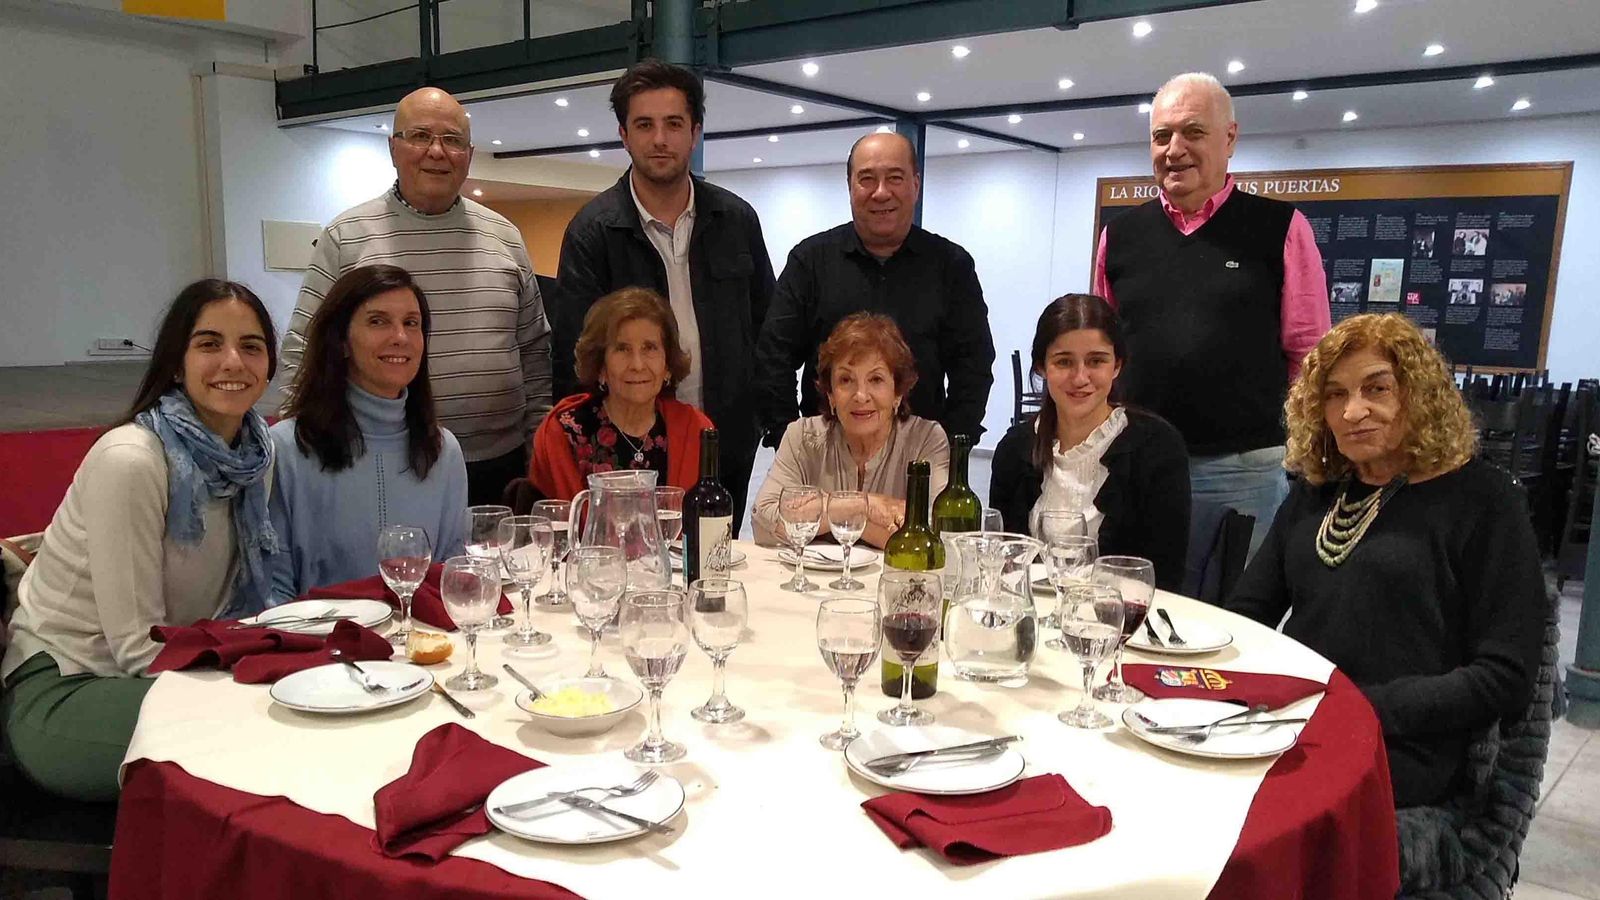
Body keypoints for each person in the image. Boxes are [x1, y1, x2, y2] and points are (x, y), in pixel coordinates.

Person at [1226, 313, 1544, 812]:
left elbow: (1506, 675)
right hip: (1293, 721)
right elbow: (1248, 613)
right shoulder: (1317, 493)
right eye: (1335, 394)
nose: (1353, 411)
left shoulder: (1485, 501)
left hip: (1401, 745)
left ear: (1419, 395)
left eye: (1377, 389)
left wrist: (1358, 707)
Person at [1, 280, 281, 801]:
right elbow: (134, 646)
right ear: (176, 363)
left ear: (268, 366)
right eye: (209, 343)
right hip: (70, 686)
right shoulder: (131, 461)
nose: (233, 361)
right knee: (269, 721)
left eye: (251, 346)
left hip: (167, 674)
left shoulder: (254, 458)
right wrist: (254, 677)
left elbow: (230, 610)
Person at [1093, 72, 1330, 555]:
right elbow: (1102, 351)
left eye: (1193, 132)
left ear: (1230, 139)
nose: (1174, 149)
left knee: (1236, 598)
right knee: (1134, 593)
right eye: (1162, 136)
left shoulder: (1281, 228)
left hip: (1242, 472)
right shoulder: (1119, 236)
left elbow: (1311, 354)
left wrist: (1308, 451)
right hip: (1138, 461)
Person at [280, 87, 551, 507]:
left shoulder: (505, 236)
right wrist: (303, 454)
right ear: (393, 148)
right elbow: (303, 349)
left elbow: (535, 351)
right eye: (420, 136)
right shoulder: (346, 237)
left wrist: (538, 451)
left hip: (500, 465)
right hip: (382, 464)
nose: (437, 152)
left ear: (469, 155)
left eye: (452, 140)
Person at [551, 59, 774, 531]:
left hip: (726, 436)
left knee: (716, 557)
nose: (660, 139)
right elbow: (576, 351)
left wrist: (761, 414)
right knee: (638, 557)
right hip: (630, 442)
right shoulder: (593, 232)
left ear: (695, 133)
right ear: (623, 134)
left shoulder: (737, 220)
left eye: (673, 124)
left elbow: (766, 327)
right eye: (644, 125)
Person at [754, 131, 995, 444]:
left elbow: (973, 368)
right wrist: (790, 440)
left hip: (920, 454)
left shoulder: (952, 265)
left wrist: (950, 447)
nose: (881, 192)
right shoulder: (810, 261)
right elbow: (773, 356)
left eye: (895, 178)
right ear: (850, 187)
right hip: (825, 453)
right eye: (867, 179)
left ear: (916, 185)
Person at [267, 265, 468, 598]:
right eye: (378, 321)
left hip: (421, 629)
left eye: (411, 323)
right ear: (342, 341)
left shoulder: (443, 451)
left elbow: (451, 576)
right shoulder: (287, 448)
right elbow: (273, 587)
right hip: (318, 630)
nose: (400, 337)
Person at [989, 295, 1191, 591]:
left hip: (1118, 614)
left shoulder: (1158, 448)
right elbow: (1004, 564)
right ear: (1042, 367)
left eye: (1096, 361)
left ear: (1117, 365)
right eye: (1064, 362)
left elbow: (1163, 578)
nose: (1080, 378)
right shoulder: (1013, 449)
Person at [752, 313, 949, 549]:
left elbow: (937, 536)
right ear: (831, 394)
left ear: (897, 393)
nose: (861, 396)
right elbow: (763, 524)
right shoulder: (802, 437)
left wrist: (833, 514)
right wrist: (864, 506)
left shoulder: (926, 440)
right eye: (846, 380)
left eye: (876, 379)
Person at [530, 287, 713, 500]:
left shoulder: (695, 430)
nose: (637, 365)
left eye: (650, 348)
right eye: (622, 349)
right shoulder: (562, 434)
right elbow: (547, 518)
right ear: (601, 366)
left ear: (668, 366)